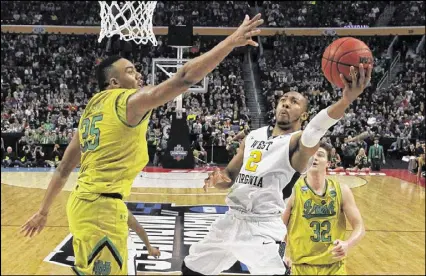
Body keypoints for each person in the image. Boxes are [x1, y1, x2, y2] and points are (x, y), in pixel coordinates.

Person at [20, 14, 265, 275]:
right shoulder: (124, 101)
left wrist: (44, 211)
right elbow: (183, 79)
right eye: (130, 71)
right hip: (102, 209)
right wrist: (229, 42)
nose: (137, 75)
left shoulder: (90, 111)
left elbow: (64, 168)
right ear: (113, 83)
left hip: (81, 205)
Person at [181, 64, 372, 275]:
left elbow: (316, 128)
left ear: (304, 114)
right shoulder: (253, 136)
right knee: (191, 268)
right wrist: (219, 179)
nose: (286, 104)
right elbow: (230, 175)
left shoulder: (297, 143)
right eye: (283, 100)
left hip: (263, 227)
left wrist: (345, 100)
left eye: (294, 102)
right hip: (231, 219)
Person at [282, 143, 365, 275]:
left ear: (328, 162)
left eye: (320, 155)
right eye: (311, 155)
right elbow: (279, 228)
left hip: (334, 266)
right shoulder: (293, 191)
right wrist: (282, 254)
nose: (314, 158)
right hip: (301, 266)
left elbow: (359, 226)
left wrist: (348, 244)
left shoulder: (342, 190)